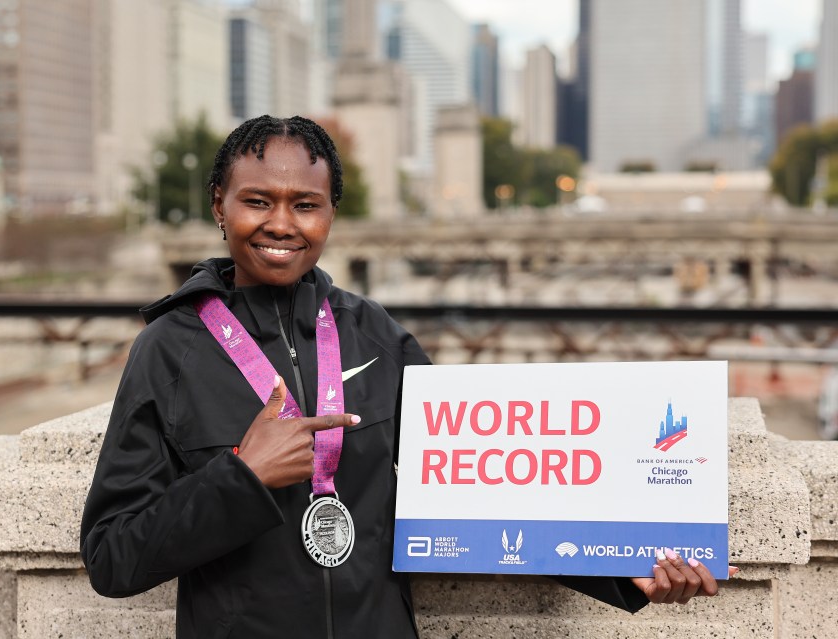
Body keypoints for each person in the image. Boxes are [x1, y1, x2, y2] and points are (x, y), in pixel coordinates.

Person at [80, 115, 731, 638]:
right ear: (220, 205)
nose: (281, 223)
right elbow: (111, 554)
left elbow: (483, 489)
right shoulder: (169, 350)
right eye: (257, 201)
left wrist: (628, 572)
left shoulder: (377, 336)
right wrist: (240, 477)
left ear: (331, 215)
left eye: (305, 204)